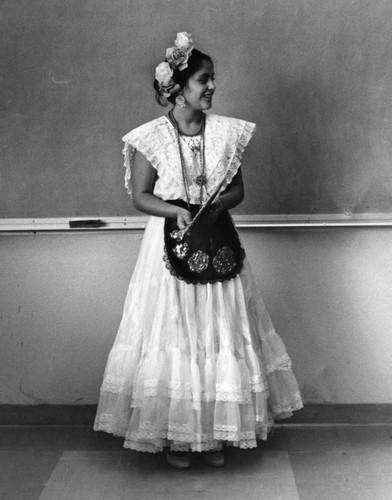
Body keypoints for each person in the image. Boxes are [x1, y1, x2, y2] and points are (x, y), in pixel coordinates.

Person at [94, 32, 303, 469]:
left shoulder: (226, 134)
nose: (211, 87)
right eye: (203, 80)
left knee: (218, 326)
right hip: (170, 244)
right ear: (179, 87)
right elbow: (141, 195)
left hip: (216, 238)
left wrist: (213, 207)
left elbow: (238, 190)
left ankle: (213, 434)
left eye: (213, 79)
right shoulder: (151, 138)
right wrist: (176, 211)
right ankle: (176, 435)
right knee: (176, 329)